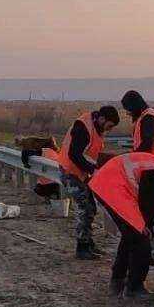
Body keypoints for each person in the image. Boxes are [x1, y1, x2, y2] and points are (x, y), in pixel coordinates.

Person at [89, 151, 154, 301]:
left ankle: (118, 281)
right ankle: (134, 288)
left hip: (106, 183)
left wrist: (144, 225)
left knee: (131, 235)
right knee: (140, 239)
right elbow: (148, 204)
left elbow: (146, 204)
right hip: (111, 187)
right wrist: (146, 226)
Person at [54, 105, 120, 259]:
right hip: (70, 172)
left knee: (90, 207)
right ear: (102, 118)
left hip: (81, 174)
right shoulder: (83, 126)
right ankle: (82, 248)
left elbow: (90, 153)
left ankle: (87, 243)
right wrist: (93, 169)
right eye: (109, 126)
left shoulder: (96, 128)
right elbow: (74, 154)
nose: (108, 130)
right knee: (85, 207)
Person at [121, 90, 154, 165]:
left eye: (129, 110)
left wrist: (131, 157)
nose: (127, 113)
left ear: (134, 106)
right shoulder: (144, 117)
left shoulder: (148, 118)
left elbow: (147, 144)